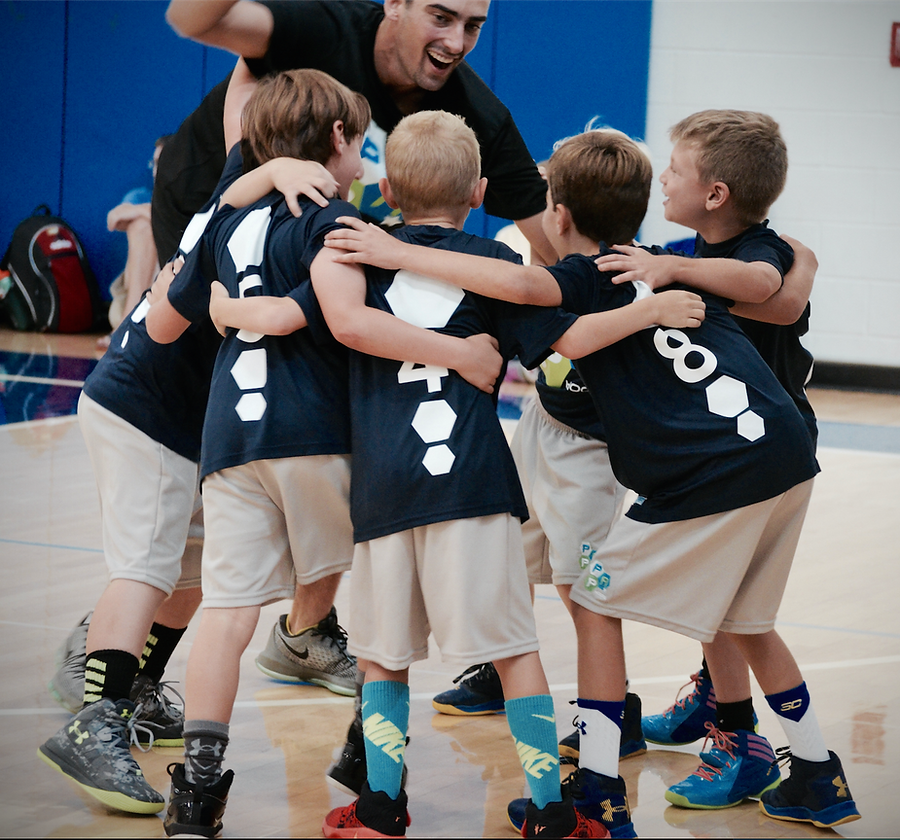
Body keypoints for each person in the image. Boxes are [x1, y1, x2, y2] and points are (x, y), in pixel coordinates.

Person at [323, 126, 861, 835]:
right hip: (785, 451)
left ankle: (600, 795)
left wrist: (393, 250)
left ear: (559, 217)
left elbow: (522, 287)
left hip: (712, 472)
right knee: (748, 622)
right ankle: (819, 776)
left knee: (595, 601)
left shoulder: (584, 278)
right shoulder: (663, 262)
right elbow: (775, 286)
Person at [214, 109, 705, 839]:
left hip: (382, 492)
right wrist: (650, 310)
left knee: (382, 660)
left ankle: (382, 809)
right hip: (472, 489)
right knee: (514, 653)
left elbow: (291, 318)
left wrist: (221, 306)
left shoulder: (350, 252)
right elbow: (568, 334)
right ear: (479, 191)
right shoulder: (497, 267)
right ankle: (548, 810)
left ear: (385, 186)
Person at [144, 72, 522, 838]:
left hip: (231, 439)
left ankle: (197, 792)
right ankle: (366, 750)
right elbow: (336, 320)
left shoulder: (226, 219)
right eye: (359, 139)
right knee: (372, 599)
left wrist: (222, 306)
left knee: (226, 613)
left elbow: (173, 319)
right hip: (311, 432)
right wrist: (461, 354)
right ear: (341, 142)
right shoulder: (330, 220)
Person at [589, 109, 823, 812]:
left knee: (716, 610)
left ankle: (734, 734)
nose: (665, 175)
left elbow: (765, 291)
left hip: (748, 452)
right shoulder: (689, 249)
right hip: (750, 453)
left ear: (717, 192)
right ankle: (788, 755)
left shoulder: (766, 251)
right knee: (734, 616)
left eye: (679, 168)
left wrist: (669, 267)